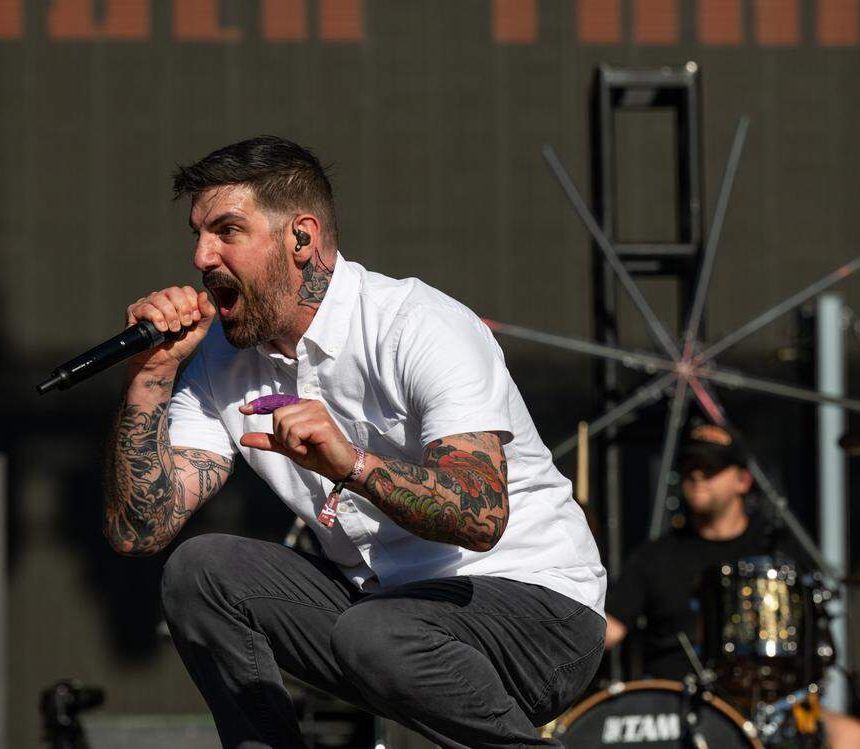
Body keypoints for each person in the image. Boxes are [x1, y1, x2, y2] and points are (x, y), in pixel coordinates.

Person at [103, 135, 607, 748]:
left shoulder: (415, 324)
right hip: (381, 607)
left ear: (301, 239)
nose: (202, 257)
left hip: (535, 607)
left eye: (227, 231)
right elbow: (140, 531)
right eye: (197, 235)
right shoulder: (220, 363)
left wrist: (354, 465)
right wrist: (150, 378)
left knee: (375, 634)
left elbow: (481, 517)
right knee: (199, 572)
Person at [604, 422, 860, 748]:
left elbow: (812, 641)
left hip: (769, 706)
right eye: (690, 467)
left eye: (710, 468)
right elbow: (608, 629)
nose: (697, 476)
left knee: (850, 735)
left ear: (742, 480)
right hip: (677, 708)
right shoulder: (654, 556)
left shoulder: (778, 551)